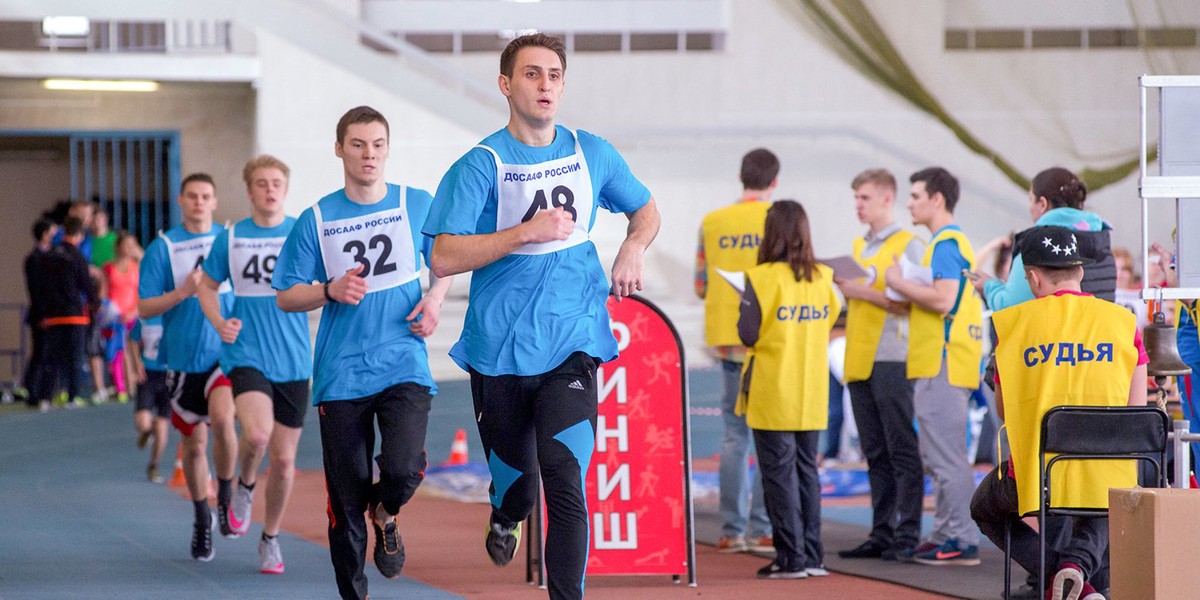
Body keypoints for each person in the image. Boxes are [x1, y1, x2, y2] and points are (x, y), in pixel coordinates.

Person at [423, 33, 660, 600]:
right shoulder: (481, 164)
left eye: (554, 75)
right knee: (519, 487)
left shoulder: (591, 151)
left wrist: (632, 247)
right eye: (532, 74)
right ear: (506, 85)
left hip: (573, 340)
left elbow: (646, 210)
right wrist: (522, 234)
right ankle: (505, 515)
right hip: (498, 349)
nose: (545, 85)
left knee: (565, 480)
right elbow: (443, 254)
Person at [274, 106, 453, 600]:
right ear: (339, 149)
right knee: (344, 499)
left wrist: (435, 299)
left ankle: (388, 511)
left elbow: (447, 258)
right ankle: (353, 594)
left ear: (388, 149)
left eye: (377, 144)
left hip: (403, 362)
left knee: (402, 469)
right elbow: (286, 294)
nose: (368, 154)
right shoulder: (316, 218)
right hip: (342, 373)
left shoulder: (416, 203)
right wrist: (328, 290)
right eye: (357, 144)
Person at [970, 225, 1147, 600]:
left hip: (1039, 474)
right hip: (1105, 475)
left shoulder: (1011, 327)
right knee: (1109, 484)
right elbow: (1137, 413)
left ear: (1032, 278)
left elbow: (1004, 412)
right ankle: (1077, 566)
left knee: (984, 508)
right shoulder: (1123, 323)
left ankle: (1065, 577)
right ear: (1081, 271)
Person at [199, 154, 313, 575]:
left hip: (294, 359)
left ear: (285, 189)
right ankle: (245, 485)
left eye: (276, 183)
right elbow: (206, 287)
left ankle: (271, 538)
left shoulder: (303, 232)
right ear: (249, 191)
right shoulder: (230, 238)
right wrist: (218, 321)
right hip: (246, 352)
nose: (269, 190)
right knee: (258, 433)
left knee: (284, 462)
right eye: (261, 184)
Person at [736, 200, 841, 579]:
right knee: (806, 473)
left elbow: (748, 333)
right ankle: (812, 556)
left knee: (778, 476)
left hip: (773, 388)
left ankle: (790, 557)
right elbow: (829, 318)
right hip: (810, 389)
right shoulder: (823, 277)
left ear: (772, 233)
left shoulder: (760, 277)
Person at [884, 166, 983, 565]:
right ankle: (946, 531)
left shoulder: (946, 243)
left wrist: (897, 279)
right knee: (941, 454)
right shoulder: (943, 244)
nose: (909, 203)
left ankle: (960, 536)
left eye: (915, 195)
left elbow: (943, 300)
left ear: (937, 199)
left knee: (947, 456)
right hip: (939, 360)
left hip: (943, 360)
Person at [138, 173, 236, 562]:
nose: (199, 202)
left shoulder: (228, 240)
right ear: (181, 200)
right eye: (192, 196)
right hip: (180, 358)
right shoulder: (163, 248)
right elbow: (144, 308)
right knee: (194, 444)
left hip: (225, 354)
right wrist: (181, 293)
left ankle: (226, 496)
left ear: (214, 202)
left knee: (225, 420)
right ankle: (201, 517)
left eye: (206, 196)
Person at [834, 168, 926, 561]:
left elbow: (920, 301)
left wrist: (861, 293)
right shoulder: (857, 246)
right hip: (859, 357)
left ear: (888, 198)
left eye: (865, 198)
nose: (858, 205)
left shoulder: (911, 245)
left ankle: (908, 532)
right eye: (856, 198)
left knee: (901, 449)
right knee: (874, 451)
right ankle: (881, 531)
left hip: (893, 356)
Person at [694, 148, 776, 553]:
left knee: (733, 436)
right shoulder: (779, 219)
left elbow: (700, 284)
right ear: (774, 182)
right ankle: (763, 530)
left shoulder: (713, 222)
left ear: (741, 177)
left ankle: (731, 532)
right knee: (768, 437)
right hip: (770, 342)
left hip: (728, 340)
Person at [976, 167, 1116, 310]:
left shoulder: (1036, 243)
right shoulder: (1101, 237)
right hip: (1099, 329)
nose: (1029, 207)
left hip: (1054, 331)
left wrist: (988, 286)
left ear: (1042, 203)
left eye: (1031, 199)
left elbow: (1011, 305)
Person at [40, 216, 99, 408]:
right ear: (80, 235)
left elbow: (42, 287)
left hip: (54, 315)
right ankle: (72, 396)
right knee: (75, 356)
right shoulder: (78, 257)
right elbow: (86, 285)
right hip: (74, 314)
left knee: (52, 357)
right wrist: (95, 303)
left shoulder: (50, 256)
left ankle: (45, 397)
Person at [22, 218, 58, 410]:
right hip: (42, 314)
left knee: (48, 353)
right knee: (41, 352)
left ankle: (44, 392)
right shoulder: (34, 259)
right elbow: (35, 290)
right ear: (45, 235)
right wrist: (44, 314)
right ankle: (33, 392)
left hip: (51, 313)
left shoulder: (52, 256)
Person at [130, 316, 170, 483]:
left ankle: (153, 465)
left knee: (161, 426)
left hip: (169, 376)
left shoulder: (175, 316)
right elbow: (132, 340)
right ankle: (147, 431)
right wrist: (136, 363)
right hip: (148, 375)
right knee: (142, 423)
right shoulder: (144, 318)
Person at [104, 232, 142, 404]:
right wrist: (111, 313)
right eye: (126, 245)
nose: (129, 248)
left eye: (132, 245)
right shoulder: (108, 268)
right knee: (118, 351)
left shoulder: (136, 266)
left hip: (133, 314)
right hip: (115, 316)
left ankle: (134, 383)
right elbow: (104, 294)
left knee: (133, 349)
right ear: (118, 247)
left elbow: (141, 292)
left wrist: (133, 311)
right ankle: (121, 387)